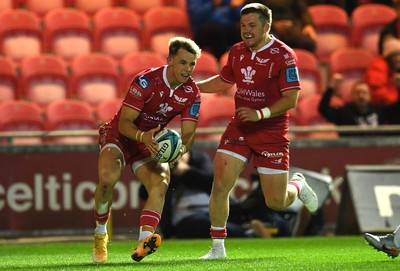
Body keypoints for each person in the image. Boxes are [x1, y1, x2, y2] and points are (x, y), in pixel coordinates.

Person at [195, 3, 319, 260]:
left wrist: (259, 113)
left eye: (252, 25)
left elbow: (291, 99)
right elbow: (224, 80)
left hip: (271, 131)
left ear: (267, 26)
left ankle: (298, 184)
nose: (246, 31)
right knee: (220, 185)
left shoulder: (284, 55)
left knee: (276, 201)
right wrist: (193, 87)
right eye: (243, 26)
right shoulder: (237, 51)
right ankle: (217, 248)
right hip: (240, 127)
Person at [91, 36, 202, 264]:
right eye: (183, 62)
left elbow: (189, 134)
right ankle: (101, 232)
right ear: (170, 60)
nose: (188, 69)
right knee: (106, 180)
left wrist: (179, 151)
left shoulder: (192, 93)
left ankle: (144, 241)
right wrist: (143, 136)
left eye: (192, 64)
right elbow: (124, 122)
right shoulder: (146, 81)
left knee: (161, 182)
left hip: (150, 141)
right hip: (120, 135)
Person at [140, 149, 274, 239]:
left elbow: (212, 182)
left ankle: (264, 224)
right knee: (204, 224)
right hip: (187, 216)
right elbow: (143, 193)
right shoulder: (160, 168)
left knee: (240, 210)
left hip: (211, 206)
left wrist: (186, 171)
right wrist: (165, 172)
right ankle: (248, 232)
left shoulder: (198, 158)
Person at [318, 73, 399, 136]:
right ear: (352, 95)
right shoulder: (344, 113)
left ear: (370, 96)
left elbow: (398, 109)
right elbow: (323, 109)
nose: (361, 96)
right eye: (357, 93)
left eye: (364, 93)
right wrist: (330, 87)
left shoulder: (379, 110)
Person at [245, 0, 317, 53]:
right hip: (269, 28)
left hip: (291, 27)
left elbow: (303, 10)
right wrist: (273, 24)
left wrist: (308, 25)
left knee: (309, 44)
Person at [364, 37, 400, 106]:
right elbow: (378, 94)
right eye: (396, 55)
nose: (399, 59)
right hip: (381, 108)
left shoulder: (393, 68)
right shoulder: (378, 67)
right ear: (389, 56)